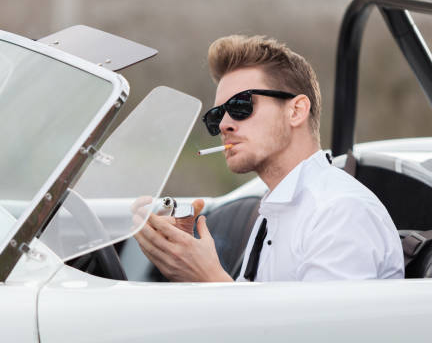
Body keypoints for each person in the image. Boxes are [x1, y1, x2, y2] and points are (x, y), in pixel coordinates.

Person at [132, 35, 404, 282]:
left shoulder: (340, 213)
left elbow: (322, 331)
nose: (224, 124)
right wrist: (186, 263)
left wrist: (209, 278)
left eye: (241, 105)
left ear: (296, 111)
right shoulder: (276, 208)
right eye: (216, 116)